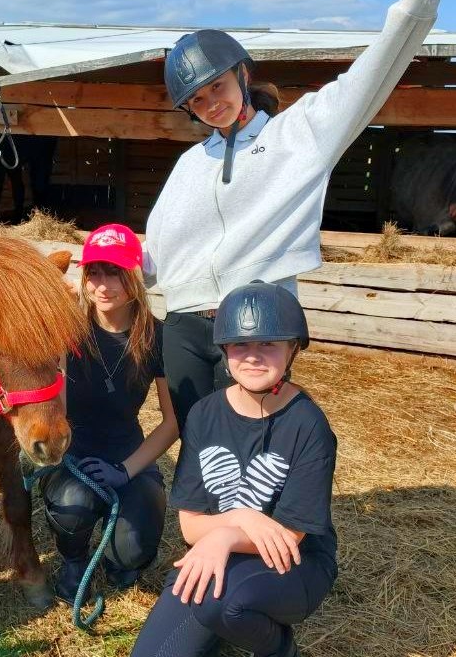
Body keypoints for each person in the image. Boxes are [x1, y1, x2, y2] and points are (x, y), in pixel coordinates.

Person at [144, 0, 445, 427]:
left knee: (251, 440)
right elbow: (155, 251)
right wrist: (103, 282)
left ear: (242, 74)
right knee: (195, 443)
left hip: (253, 322)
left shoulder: (298, 135)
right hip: (182, 323)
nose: (211, 104)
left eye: (217, 87)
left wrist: (412, 8)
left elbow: (364, 83)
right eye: (197, 100)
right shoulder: (187, 165)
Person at [131, 281, 336, 657]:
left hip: (294, 563)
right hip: (216, 550)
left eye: (268, 345)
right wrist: (242, 517)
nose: (253, 357)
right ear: (224, 350)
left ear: (292, 349)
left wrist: (225, 536)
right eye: (241, 344)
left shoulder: (308, 424)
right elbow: (191, 524)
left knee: (223, 605)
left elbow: (289, 537)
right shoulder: (204, 413)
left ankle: (278, 648)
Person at [40, 224, 180, 603]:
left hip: (127, 455)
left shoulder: (157, 336)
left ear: (134, 276)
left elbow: (172, 422)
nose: (103, 284)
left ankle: (117, 545)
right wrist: (66, 457)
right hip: (76, 452)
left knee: (132, 554)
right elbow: (56, 405)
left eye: (115, 272)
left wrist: (125, 471)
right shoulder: (67, 329)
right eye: (94, 272)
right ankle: (72, 561)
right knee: (74, 506)